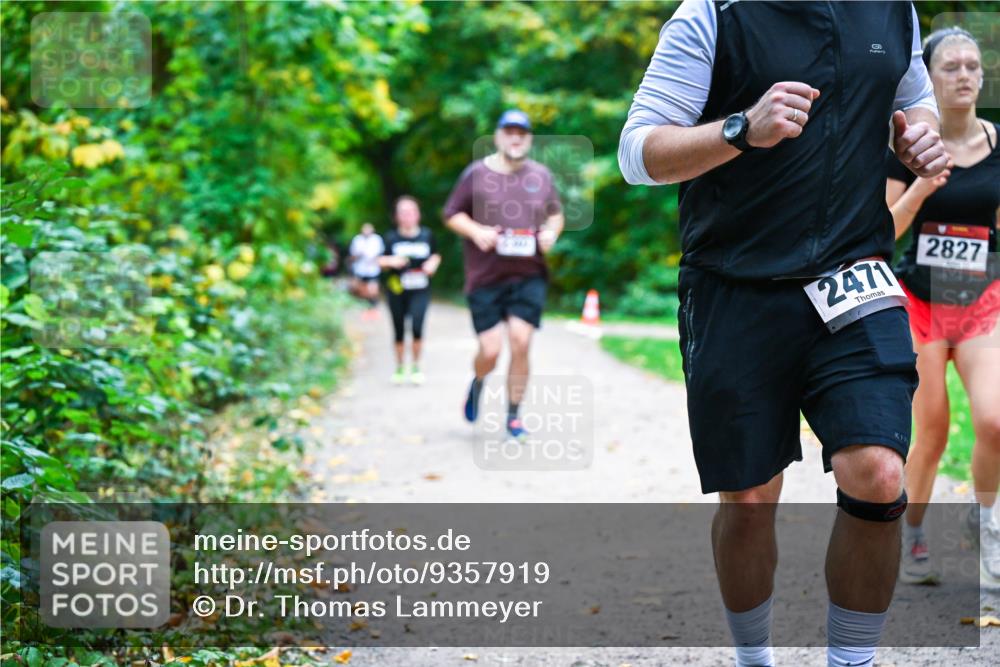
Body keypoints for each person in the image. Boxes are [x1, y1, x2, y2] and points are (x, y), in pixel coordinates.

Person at [618, 2, 947, 666]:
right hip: (735, 284)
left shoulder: (893, 9)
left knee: (879, 472)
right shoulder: (713, 13)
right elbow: (636, 152)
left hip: (853, 275)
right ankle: (754, 658)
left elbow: (916, 102)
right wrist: (741, 128)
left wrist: (920, 137)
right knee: (748, 499)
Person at [885, 27, 1000, 587]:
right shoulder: (907, 146)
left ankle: (988, 525)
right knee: (929, 429)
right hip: (921, 303)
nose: (964, 76)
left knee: (995, 420)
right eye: (950, 67)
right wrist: (922, 188)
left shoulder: (998, 146)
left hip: (982, 301)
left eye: (973, 66)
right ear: (928, 79)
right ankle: (911, 533)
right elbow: (884, 230)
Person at [443, 109, 564, 438]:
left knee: (521, 342)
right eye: (509, 132)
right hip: (486, 276)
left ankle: (513, 416)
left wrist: (551, 233)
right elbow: (452, 213)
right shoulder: (476, 173)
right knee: (491, 351)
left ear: (529, 139)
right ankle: (478, 381)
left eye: (522, 133)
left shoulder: (540, 175)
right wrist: (476, 231)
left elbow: (555, 215)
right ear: (498, 137)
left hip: (528, 274)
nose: (516, 138)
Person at [379, 195, 441, 385]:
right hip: (397, 289)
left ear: (418, 214)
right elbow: (379, 260)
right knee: (399, 328)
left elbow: (436, 255)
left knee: (417, 327)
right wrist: (391, 261)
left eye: (411, 211)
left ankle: (415, 366)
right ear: (396, 216)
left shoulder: (427, 235)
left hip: (420, 289)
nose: (408, 216)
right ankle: (399, 367)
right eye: (403, 212)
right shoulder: (391, 238)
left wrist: (432, 264)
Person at [348, 223, 385, 317]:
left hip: (373, 269)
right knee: (362, 290)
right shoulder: (357, 239)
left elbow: (380, 253)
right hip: (360, 269)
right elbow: (353, 254)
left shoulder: (377, 239)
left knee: (373, 289)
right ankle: (365, 309)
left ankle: (374, 309)